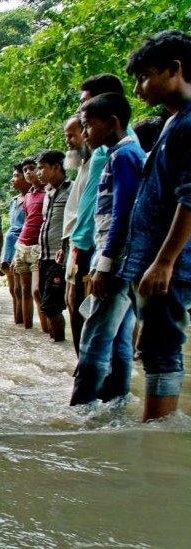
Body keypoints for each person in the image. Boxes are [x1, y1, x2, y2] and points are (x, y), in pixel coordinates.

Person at [119, 30, 191, 421]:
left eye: (145, 76)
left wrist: (164, 262)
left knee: (162, 349)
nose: (139, 87)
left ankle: (158, 430)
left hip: (167, 265)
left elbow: (190, 198)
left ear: (175, 70)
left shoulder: (187, 125)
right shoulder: (171, 123)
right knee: (154, 346)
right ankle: (155, 426)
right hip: (153, 259)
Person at [70, 93, 146, 407]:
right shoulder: (123, 153)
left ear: (112, 122)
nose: (85, 134)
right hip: (122, 259)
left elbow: (122, 214)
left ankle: (81, 410)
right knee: (118, 341)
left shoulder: (123, 156)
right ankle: (115, 404)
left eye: (88, 126)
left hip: (115, 262)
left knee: (95, 338)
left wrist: (104, 265)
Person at [62, 115, 92, 354]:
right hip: (74, 244)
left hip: (86, 246)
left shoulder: (101, 161)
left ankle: (86, 362)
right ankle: (80, 360)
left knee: (79, 303)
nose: (68, 141)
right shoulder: (84, 165)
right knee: (72, 301)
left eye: (71, 135)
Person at [37, 150, 71, 342]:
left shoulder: (73, 190)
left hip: (59, 258)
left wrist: (66, 249)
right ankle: (54, 343)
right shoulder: (48, 193)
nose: (38, 172)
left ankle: (59, 343)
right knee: (46, 303)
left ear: (56, 167)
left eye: (42, 167)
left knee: (51, 306)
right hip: (43, 256)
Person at [12, 157, 45, 330]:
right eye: (25, 170)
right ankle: (27, 331)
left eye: (32, 168)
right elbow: (27, 222)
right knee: (23, 290)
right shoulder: (28, 197)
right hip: (22, 246)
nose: (29, 172)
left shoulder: (48, 192)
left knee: (36, 291)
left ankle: (48, 330)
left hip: (39, 248)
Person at [1, 163, 30, 324]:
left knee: (21, 289)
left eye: (16, 176)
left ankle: (24, 322)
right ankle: (17, 322)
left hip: (21, 245)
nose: (13, 180)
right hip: (9, 246)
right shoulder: (14, 200)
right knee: (12, 289)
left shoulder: (31, 198)